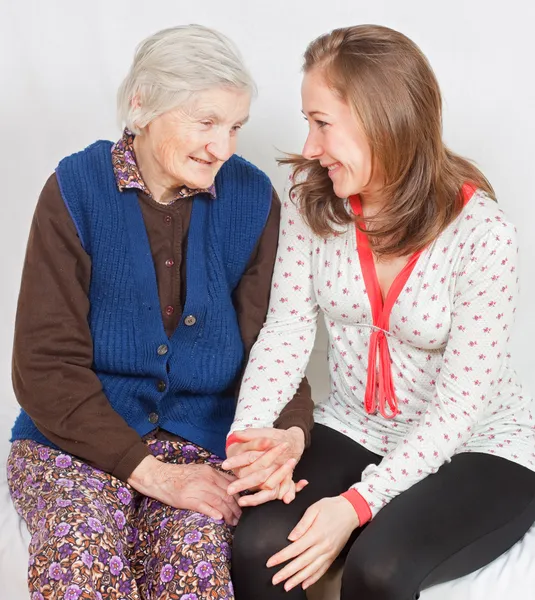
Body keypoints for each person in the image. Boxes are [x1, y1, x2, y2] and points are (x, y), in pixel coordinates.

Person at [223, 24, 535, 600]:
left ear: (381, 120)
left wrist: (358, 504)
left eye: (322, 123)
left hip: (478, 442)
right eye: (307, 121)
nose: (310, 146)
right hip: (358, 426)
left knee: (380, 568)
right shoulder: (309, 198)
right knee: (258, 545)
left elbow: (458, 407)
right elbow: (288, 328)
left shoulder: (484, 236)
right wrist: (250, 441)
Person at [6, 24, 313, 600]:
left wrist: (288, 435)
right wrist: (149, 474)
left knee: (196, 565)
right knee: (80, 552)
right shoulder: (76, 189)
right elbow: (43, 366)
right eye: (206, 122)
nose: (223, 148)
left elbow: (277, 343)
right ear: (142, 104)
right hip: (73, 442)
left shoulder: (250, 199)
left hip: (200, 444)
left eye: (235, 127)